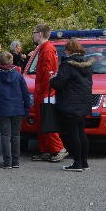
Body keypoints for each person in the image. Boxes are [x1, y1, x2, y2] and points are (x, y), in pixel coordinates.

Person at [50, 39, 93, 172]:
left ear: (68, 50)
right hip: (83, 103)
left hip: (69, 104)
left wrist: (51, 79)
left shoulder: (67, 65)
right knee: (81, 132)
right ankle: (84, 162)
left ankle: (77, 163)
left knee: (72, 134)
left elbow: (58, 84)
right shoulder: (88, 64)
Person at [0, 52, 31, 169]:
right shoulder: (18, 75)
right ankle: (16, 161)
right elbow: (26, 94)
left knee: (5, 135)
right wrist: (26, 109)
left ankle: (7, 161)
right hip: (17, 108)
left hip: (3, 108)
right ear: (12, 62)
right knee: (16, 135)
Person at [31, 24, 69, 163]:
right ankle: (46, 150)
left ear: (40, 34)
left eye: (34, 32)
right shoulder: (45, 49)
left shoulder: (47, 50)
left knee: (47, 122)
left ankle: (59, 149)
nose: (33, 35)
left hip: (45, 93)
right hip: (43, 92)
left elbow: (48, 74)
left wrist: (43, 92)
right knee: (42, 123)